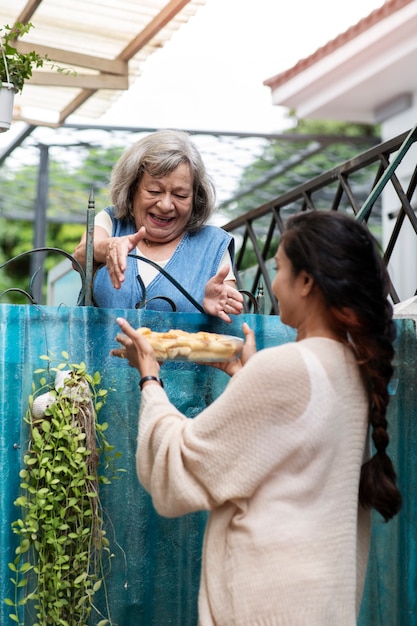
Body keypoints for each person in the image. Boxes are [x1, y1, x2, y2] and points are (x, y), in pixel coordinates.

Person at [111, 210, 402, 626]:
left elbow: (182, 466)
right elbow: (288, 457)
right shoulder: (350, 367)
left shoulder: (285, 367)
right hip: (321, 604)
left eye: (280, 269)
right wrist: (246, 378)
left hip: (268, 604)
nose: (273, 284)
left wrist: (149, 377)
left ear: (306, 282)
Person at [73, 129, 243, 322]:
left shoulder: (213, 244)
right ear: (132, 189)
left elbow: (230, 311)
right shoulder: (111, 221)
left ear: (196, 198)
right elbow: (79, 256)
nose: (166, 205)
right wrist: (107, 248)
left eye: (180, 195)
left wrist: (220, 306)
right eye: (154, 191)